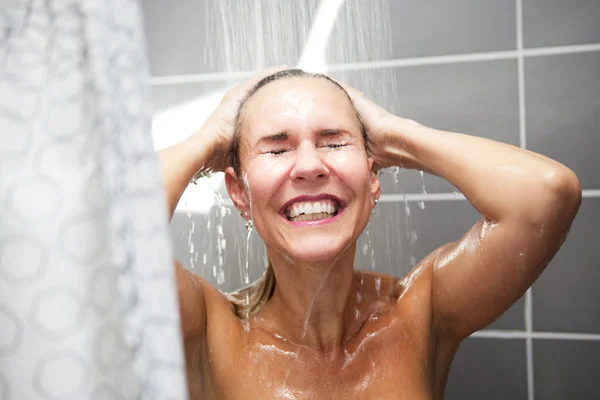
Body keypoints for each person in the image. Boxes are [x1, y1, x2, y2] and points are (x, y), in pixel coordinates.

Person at [158, 68, 581, 399]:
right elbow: (106, 236)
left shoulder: (420, 310)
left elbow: (547, 194)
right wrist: (208, 139)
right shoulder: (207, 329)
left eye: (334, 142)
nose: (309, 166)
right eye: (278, 147)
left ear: (372, 178)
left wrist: (395, 134)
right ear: (239, 193)